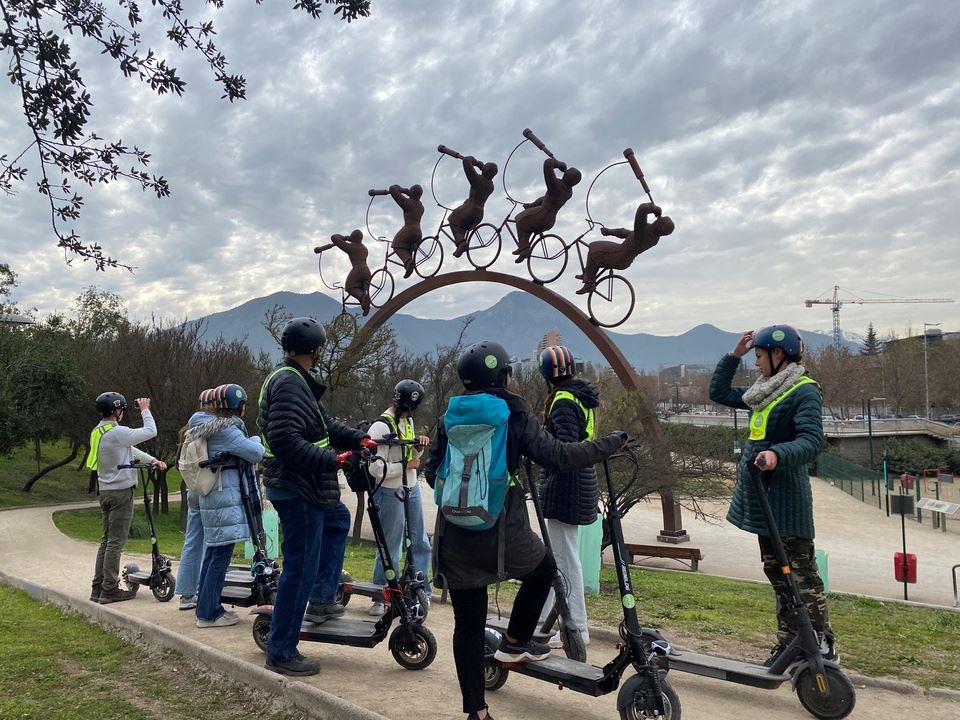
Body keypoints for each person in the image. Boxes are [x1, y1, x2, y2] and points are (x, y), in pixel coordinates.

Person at [424, 341, 626, 720]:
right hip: (501, 530)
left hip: (454, 531)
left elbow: (430, 468)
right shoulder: (513, 411)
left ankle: (477, 713)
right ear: (503, 375)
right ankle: (515, 642)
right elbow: (560, 456)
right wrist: (609, 444)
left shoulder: (450, 414)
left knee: (467, 624)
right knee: (544, 570)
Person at [708, 325, 836, 664]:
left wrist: (777, 454)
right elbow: (719, 392)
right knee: (778, 575)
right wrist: (734, 354)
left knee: (802, 578)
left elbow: (812, 441)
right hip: (764, 500)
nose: (757, 364)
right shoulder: (763, 390)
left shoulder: (803, 391)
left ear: (778, 355)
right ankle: (790, 641)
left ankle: (821, 645)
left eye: (760, 356)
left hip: (787, 501)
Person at [258, 316, 373, 676]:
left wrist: (358, 438)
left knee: (338, 520)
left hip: (306, 486)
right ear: (316, 349)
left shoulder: (297, 381)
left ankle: (323, 595)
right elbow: (285, 442)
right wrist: (335, 459)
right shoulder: (290, 384)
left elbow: (324, 426)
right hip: (297, 487)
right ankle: (282, 651)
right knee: (299, 569)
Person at [535, 345, 600, 648]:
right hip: (579, 481)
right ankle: (546, 618)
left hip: (566, 485)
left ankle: (575, 627)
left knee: (564, 557)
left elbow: (562, 450)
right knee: (555, 556)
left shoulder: (562, 401)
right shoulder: (580, 397)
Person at [188, 384, 265, 627]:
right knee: (220, 557)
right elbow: (256, 452)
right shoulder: (227, 430)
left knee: (213, 554)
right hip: (224, 500)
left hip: (214, 499)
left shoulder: (205, 427)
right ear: (237, 406)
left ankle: (206, 607)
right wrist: (253, 437)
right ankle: (209, 614)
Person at [87, 393, 167, 604]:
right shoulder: (117, 432)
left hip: (105, 491)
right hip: (120, 493)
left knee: (106, 541)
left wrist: (152, 460)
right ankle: (110, 589)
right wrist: (145, 409)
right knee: (115, 542)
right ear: (116, 411)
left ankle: (98, 587)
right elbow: (151, 431)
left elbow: (128, 449)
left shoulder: (99, 431)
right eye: (121, 409)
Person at [366, 379, 433, 616]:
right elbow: (375, 469)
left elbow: (409, 454)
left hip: (410, 487)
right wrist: (406, 465)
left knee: (421, 541)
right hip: (390, 489)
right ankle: (380, 595)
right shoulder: (380, 427)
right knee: (390, 545)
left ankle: (420, 591)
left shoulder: (407, 421)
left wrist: (418, 447)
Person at [175, 387, 216, 611]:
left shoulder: (189, 430)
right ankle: (201, 590)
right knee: (210, 542)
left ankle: (186, 594)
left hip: (192, 489)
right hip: (208, 488)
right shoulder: (213, 428)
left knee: (192, 540)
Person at [575, 202, 675, 294]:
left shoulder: (646, 234)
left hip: (619, 255)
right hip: (624, 258)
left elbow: (642, 210)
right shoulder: (650, 236)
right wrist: (609, 232)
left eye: (659, 220)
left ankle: (589, 283)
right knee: (598, 252)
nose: (657, 219)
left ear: (659, 227)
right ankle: (587, 275)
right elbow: (626, 233)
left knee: (594, 247)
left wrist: (654, 208)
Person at [512, 157, 581, 263]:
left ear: (567, 176)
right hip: (550, 220)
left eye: (568, 172)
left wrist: (559, 164)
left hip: (541, 215)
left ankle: (524, 248)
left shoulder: (556, 186)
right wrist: (532, 205)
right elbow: (546, 199)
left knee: (520, 220)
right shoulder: (568, 192)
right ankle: (524, 247)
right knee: (528, 224)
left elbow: (547, 164)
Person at [448, 156, 498, 258]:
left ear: (486, 170)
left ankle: (461, 243)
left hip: (470, 210)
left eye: (485, 165)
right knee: (462, 222)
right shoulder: (491, 186)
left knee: (453, 219)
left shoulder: (478, 180)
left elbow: (466, 160)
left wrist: (477, 163)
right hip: (479, 214)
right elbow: (477, 196)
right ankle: (462, 241)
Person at [316, 230, 372, 316]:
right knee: (361, 289)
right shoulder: (364, 248)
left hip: (358, 270)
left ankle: (363, 298)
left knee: (350, 287)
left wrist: (344, 238)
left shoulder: (351, 247)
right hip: (367, 271)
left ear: (352, 238)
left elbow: (334, 237)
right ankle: (364, 303)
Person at [388, 184, 425, 279]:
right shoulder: (421, 207)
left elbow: (392, 189)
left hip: (409, 230)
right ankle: (409, 265)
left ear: (411, 192)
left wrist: (403, 190)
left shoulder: (408, 203)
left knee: (396, 244)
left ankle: (408, 262)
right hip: (418, 233)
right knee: (406, 246)